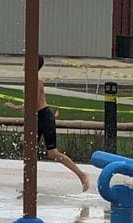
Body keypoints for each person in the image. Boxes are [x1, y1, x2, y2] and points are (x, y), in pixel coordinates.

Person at [33, 54, 90, 192]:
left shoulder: (37, 80)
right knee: (29, 150)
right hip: (40, 117)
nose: (23, 64)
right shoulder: (31, 79)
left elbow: (33, 101)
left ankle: (82, 175)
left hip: (44, 117)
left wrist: (19, 107)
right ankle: (29, 183)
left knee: (53, 153)